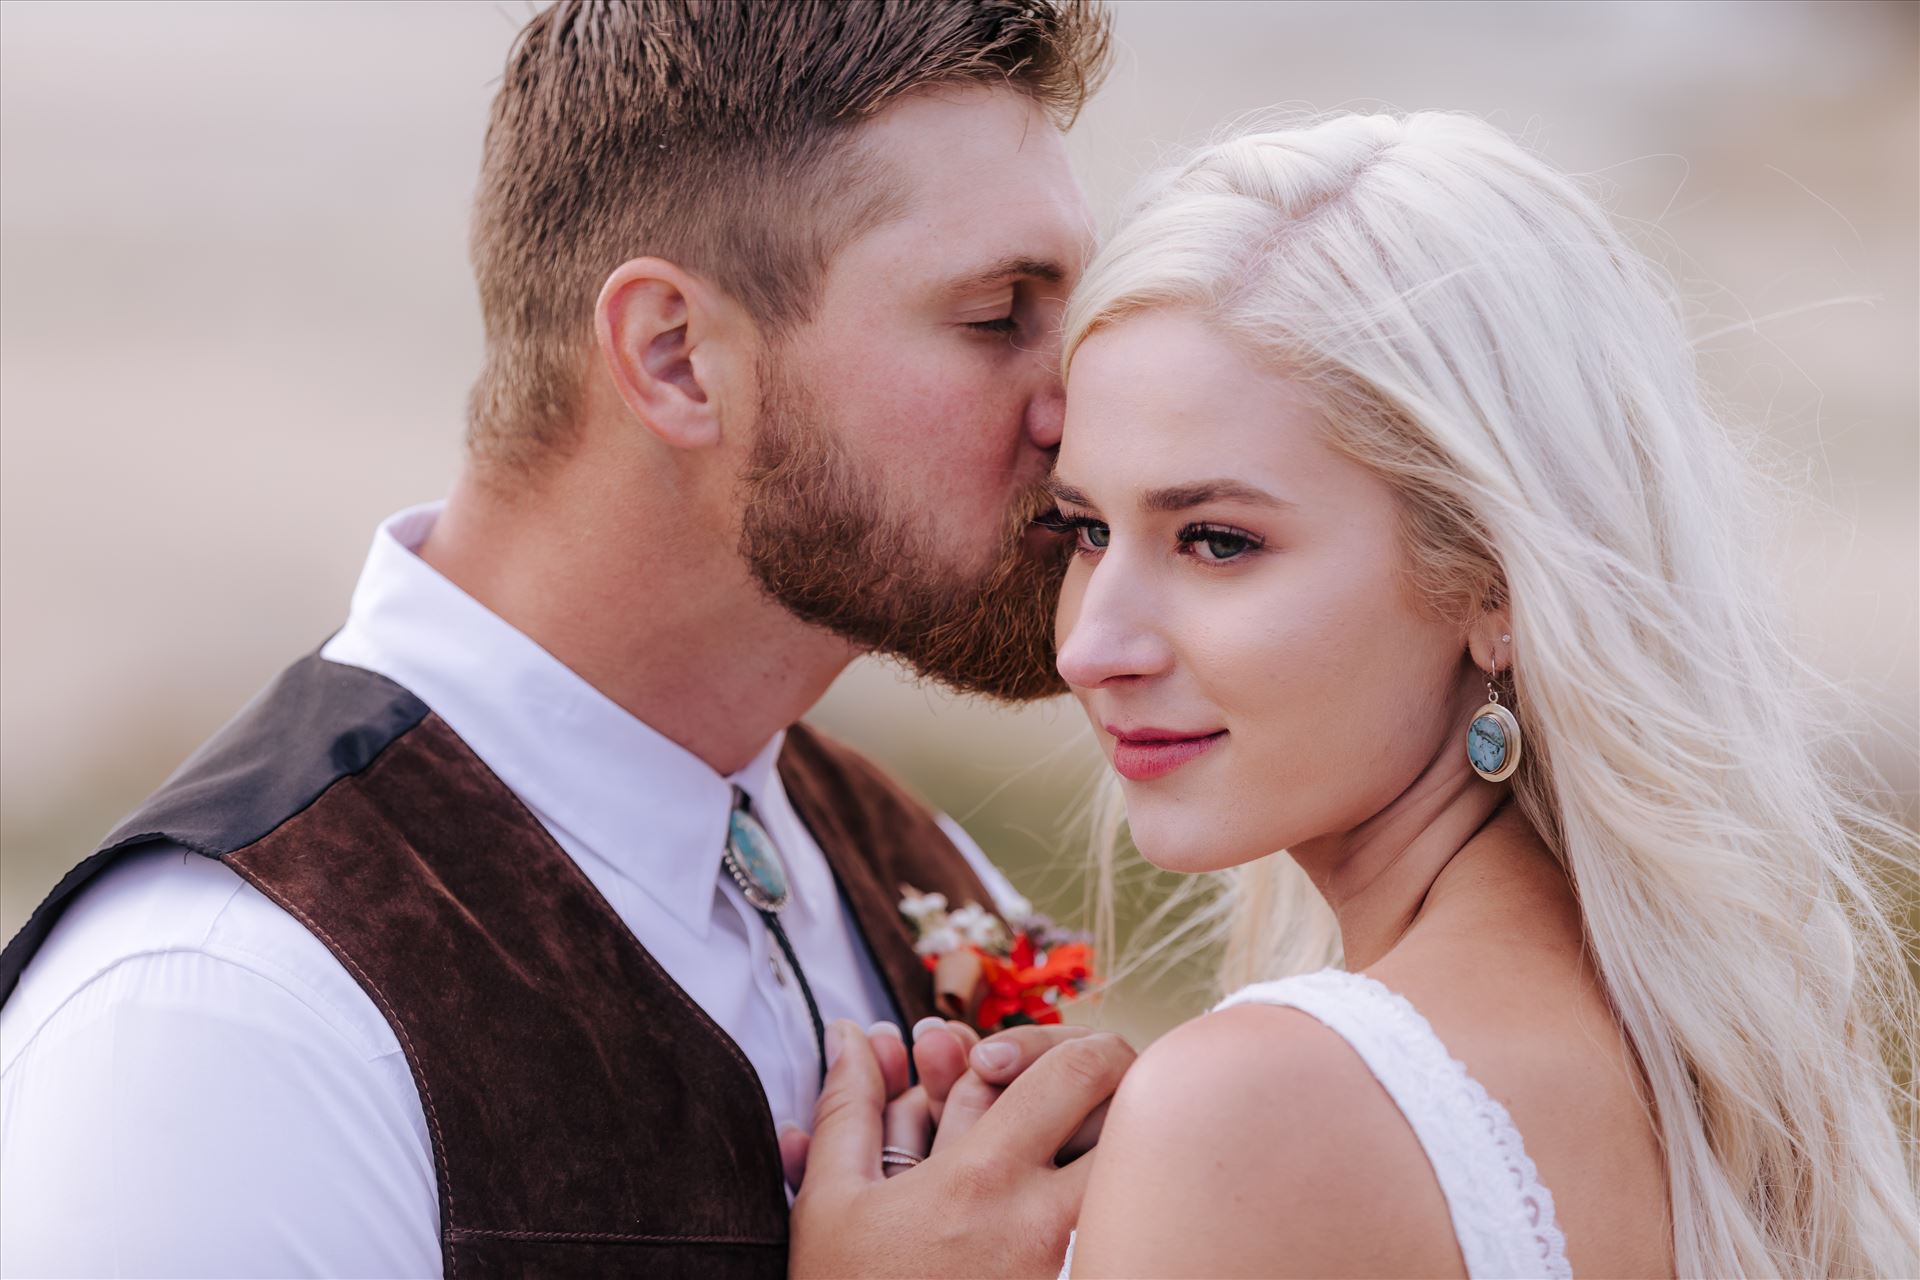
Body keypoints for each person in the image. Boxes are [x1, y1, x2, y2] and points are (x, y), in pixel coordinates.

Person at [0, 3, 1134, 1276]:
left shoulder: (910, 861)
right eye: (998, 316)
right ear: (675, 357)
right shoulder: (226, 1016)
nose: (1082, 408)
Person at [794, 111, 1920, 1277]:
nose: (1089, 646)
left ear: (1493, 583)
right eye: (1084, 528)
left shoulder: (1259, 1104)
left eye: (1217, 540)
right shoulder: (1701, 1061)